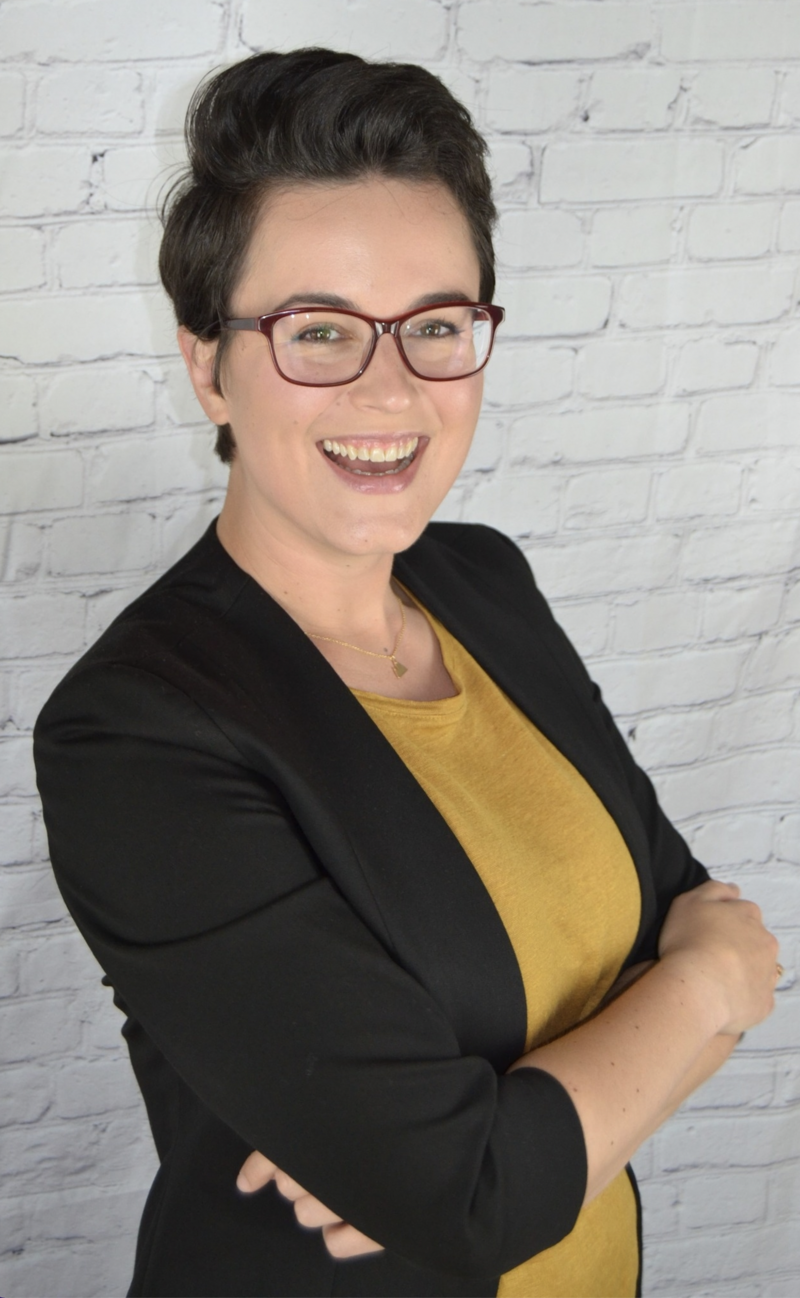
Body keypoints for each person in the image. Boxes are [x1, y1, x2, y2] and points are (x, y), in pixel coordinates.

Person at [34, 48, 780, 1298]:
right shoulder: (138, 731)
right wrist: (699, 993)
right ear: (208, 362)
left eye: (435, 324)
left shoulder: (482, 582)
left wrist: (490, 1119)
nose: (391, 390)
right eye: (318, 330)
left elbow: (679, 892)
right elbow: (470, 1194)